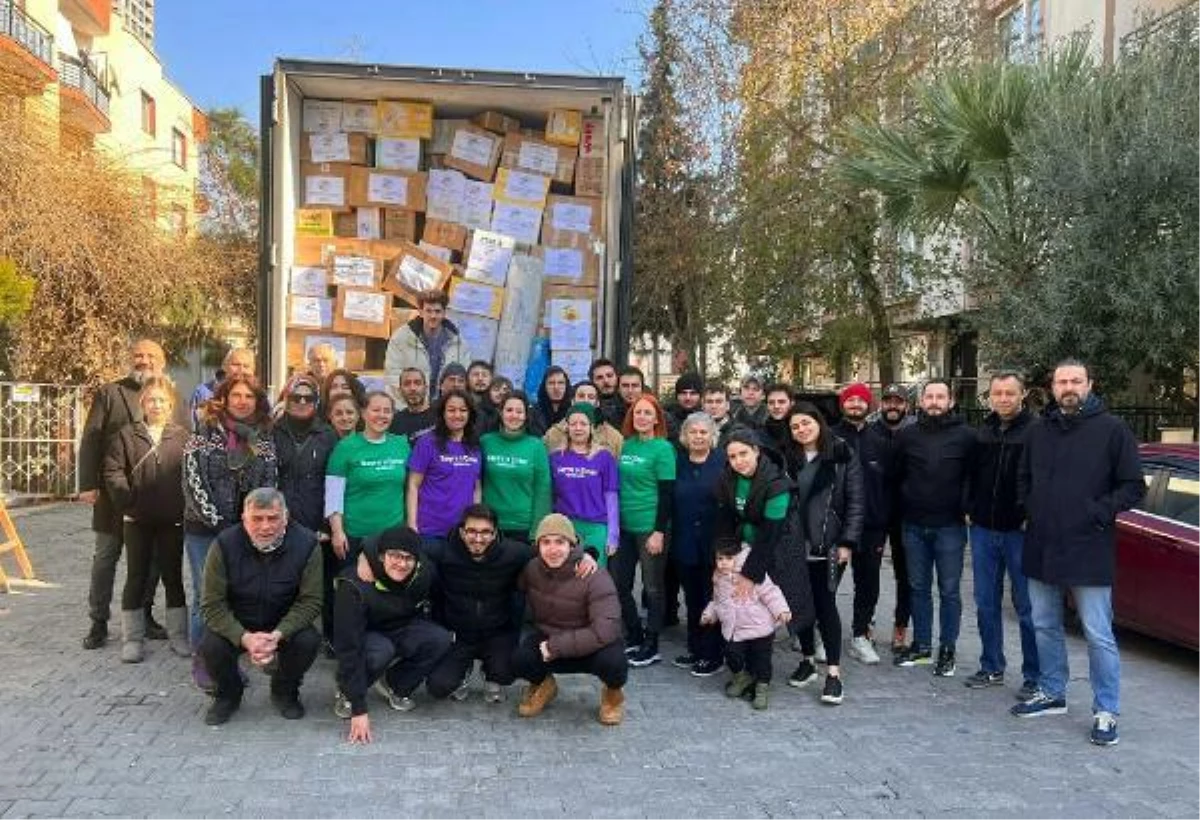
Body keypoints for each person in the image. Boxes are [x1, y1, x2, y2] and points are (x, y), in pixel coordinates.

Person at [1011, 360, 1144, 747]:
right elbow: (1025, 478)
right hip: (1042, 542)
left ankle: (1106, 710)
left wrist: (1095, 513)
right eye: (1061, 381)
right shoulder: (1040, 430)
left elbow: (1133, 485)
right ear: (1052, 387)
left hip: (1089, 545)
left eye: (1075, 381)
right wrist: (1030, 508)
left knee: (1098, 634)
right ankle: (1052, 692)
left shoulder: (1113, 430)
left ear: (1090, 384)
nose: (1068, 387)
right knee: (1044, 624)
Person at [423, 505, 597, 705]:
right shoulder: (445, 551)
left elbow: (551, 552)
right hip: (459, 634)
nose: (478, 538)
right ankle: (464, 669)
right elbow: (407, 545)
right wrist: (377, 562)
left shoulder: (512, 552)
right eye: (472, 531)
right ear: (462, 531)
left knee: (506, 673)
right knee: (438, 686)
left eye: (485, 532)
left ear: (495, 532)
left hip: (497, 632)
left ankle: (490, 672)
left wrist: (585, 554)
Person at [183, 375, 278, 691]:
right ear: (224, 398)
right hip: (204, 530)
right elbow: (193, 484)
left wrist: (250, 529)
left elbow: (268, 484)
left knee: (236, 598)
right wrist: (222, 526)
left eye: (249, 396)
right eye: (236, 395)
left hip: (245, 532)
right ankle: (203, 661)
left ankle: (226, 661)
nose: (242, 401)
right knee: (206, 597)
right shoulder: (203, 434)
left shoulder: (263, 438)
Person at [198, 489, 323, 726]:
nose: (265, 527)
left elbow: (311, 601)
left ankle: (284, 690)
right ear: (244, 518)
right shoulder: (224, 544)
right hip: (239, 621)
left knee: (308, 640)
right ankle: (227, 694)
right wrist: (244, 637)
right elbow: (211, 604)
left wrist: (278, 635)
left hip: (283, 622)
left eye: (273, 518)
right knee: (211, 645)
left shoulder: (307, 544)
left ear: (285, 517)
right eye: (257, 519)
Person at [79, 338, 168, 650]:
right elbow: (91, 438)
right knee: (106, 557)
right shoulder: (110, 393)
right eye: (138, 355)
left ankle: (143, 614)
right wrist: (87, 483)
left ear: (162, 361)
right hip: (112, 495)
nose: (143, 360)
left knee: (151, 560)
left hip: (154, 497)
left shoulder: (171, 396)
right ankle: (98, 621)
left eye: (150, 355)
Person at [333, 526, 451, 742]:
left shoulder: (423, 573)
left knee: (440, 638)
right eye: (394, 556)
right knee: (380, 651)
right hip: (364, 635)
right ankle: (347, 692)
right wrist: (359, 710)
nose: (401, 563)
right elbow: (349, 648)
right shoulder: (352, 586)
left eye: (408, 558)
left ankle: (395, 684)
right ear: (380, 556)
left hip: (401, 626)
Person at [101, 376, 190, 662]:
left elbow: (191, 475)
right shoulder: (127, 435)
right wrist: (128, 499)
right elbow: (112, 471)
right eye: (151, 399)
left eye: (162, 400)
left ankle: (178, 636)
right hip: (136, 519)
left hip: (172, 519)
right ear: (142, 403)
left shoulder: (182, 436)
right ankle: (133, 638)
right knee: (136, 576)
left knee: (173, 577)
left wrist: (184, 504)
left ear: (170, 404)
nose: (157, 405)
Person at [893, 379, 976, 676]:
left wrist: (966, 507)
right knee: (917, 588)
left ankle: (948, 649)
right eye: (929, 396)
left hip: (950, 526)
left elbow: (973, 476)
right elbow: (896, 474)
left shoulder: (967, 436)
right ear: (921, 401)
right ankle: (923, 645)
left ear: (951, 401)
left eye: (940, 397)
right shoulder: (906, 435)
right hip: (913, 525)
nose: (934, 402)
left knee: (950, 590)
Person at [782, 402, 863, 706]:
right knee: (800, 602)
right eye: (795, 426)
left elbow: (856, 501)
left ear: (818, 422)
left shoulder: (842, 453)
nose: (801, 430)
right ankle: (807, 660)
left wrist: (847, 542)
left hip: (828, 544)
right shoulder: (788, 457)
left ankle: (833, 674)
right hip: (793, 543)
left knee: (825, 604)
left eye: (806, 423)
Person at [965, 370, 1039, 699]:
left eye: (1010, 393)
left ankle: (1034, 675)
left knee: (1027, 606)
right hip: (983, 529)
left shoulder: (1037, 432)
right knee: (985, 602)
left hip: (1020, 532)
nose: (1004, 399)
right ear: (990, 397)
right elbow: (969, 476)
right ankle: (992, 665)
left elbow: (1043, 479)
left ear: (1023, 395)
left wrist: (1031, 514)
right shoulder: (983, 432)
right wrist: (969, 507)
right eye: (998, 393)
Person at [513, 514, 627, 726]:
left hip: (588, 645)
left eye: (560, 542)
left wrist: (556, 646)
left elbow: (605, 629)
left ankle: (613, 696)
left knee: (614, 662)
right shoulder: (532, 569)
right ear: (538, 545)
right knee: (519, 658)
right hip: (550, 638)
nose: (553, 549)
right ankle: (544, 685)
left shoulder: (595, 575)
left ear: (572, 545)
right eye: (546, 542)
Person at [324, 391, 411, 651]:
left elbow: (411, 489)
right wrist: (337, 531)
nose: (381, 416)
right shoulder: (346, 447)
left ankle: (379, 645)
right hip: (354, 535)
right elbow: (333, 493)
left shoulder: (401, 445)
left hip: (390, 537)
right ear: (363, 413)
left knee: (385, 595)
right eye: (376, 410)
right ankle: (344, 645)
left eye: (387, 411)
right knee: (349, 594)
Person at [713, 428, 814, 643]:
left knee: (794, 598)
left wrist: (751, 574)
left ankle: (809, 655)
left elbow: (770, 534)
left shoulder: (776, 482)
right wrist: (726, 555)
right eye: (732, 456)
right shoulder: (727, 478)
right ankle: (754, 655)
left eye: (743, 454)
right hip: (746, 543)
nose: (738, 461)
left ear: (756, 451)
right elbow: (724, 519)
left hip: (782, 544)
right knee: (749, 602)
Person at [831, 382, 897, 666]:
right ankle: (824, 633)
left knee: (868, 584)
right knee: (828, 584)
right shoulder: (830, 437)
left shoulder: (882, 440)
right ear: (842, 404)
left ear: (869, 404)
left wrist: (884, 518)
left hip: (871, 527)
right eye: (850, 400)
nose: (855, 404)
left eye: (861, 400)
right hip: (836, 526)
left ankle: (861, 636)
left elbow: (890, 484)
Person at [613, 394, 676, 667]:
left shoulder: (663, 449)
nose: (641, 417)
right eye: (637, 412)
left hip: (650, 527)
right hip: (624, 527)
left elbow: (667, 494)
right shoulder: (625, 446)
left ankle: (652, 643)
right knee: (619, 584)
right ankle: (635, 634)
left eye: (647, 413)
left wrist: (658, 531)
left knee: (652, 588)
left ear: (656, 419)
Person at [701, 542, 791, 710]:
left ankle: (762, 688)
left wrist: (782, 610)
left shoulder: (752, 572)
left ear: (738, 558)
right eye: (720, 559)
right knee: (731, 653)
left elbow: (771, 593)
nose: (723, 563)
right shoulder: (718, 578)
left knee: (762, 660)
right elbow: (717, 601)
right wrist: (709, 614)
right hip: (734, 629)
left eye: (728, 559)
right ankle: (741, 678)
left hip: (760, 628)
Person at [670, 412, 726, 677]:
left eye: (704, 432)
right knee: (692, 598)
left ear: (712, 435)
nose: (698, 436)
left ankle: (713, 654)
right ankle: (695, 648)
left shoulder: (722, 463)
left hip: (713, 544)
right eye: (693, 432)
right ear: (685, 436)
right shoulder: (678, 463)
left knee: (711, 597)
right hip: (685, 543)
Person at [407, 389, 483, 547]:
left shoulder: (474, 446)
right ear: (442, 413)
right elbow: (413, 485)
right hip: (429, 531)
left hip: (462, 532)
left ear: (470, 414)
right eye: (451, 410)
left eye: (463, 410)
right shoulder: (427, 442)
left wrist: (474, 525)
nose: (457, 415)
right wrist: (412, 525)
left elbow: (476, 488)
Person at [549, 403, 621, 566]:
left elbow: (611, 496)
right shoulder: (555, 457)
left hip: (596, 527)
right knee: (566, 577)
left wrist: (613, 535)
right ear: (567, 427)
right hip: (565, 527)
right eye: (573, 423)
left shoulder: (604, 457)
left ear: (592, 427)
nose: (578, 428)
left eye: (583, 423)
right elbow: (549, 495)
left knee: (592, 577)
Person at [480, 392, 551, 543]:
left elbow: (543, 490)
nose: (514, 415)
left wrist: (537, 532)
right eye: (509, 410)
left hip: (523, 528)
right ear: (500, 412)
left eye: (519, 411)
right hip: (489, 526)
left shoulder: (536, 446)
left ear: (526, 415)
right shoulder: (485, 442)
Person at [273, 375, 338, 537]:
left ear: (316, 402)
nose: (302, 402)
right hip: (277, 522)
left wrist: (326, 525)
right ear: (286, 399)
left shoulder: (328, 435)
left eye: (308, 398)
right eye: (296, 397)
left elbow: (334, 484)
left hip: (315, 525)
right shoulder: (271, 432)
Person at [383, 288, 473, 401]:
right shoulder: (401, 339)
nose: (433, 316)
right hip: (410, 406)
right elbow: (393, 375)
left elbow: (464, 378)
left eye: (437, 311)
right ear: (420, 312)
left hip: (445, 409)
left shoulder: (459, 343)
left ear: (444, 313)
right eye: (428, 311)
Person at [878, 384, 914, 652]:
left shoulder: (914, 433)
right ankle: (864, 624)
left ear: (906, 405)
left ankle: (901, 625)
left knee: (906, 575)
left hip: (905, 514)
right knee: (866, 574)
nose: (892, 406)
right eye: (888, 401)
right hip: (875, 512)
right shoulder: (870, 432)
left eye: (897, 402)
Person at [542, 381, 624, 457]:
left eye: (591, 397)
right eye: (581, 396)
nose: (586, 400)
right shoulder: (554, 434)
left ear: (597, 403)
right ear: (573, 401)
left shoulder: (613, 437)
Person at [190, 347, 255, 431]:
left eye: (246, 366)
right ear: (224, 367)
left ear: (252, 371)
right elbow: (192, 428)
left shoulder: (259, 397)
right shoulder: (203, 393)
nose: (241, 370)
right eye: (236, 365)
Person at [389, 366, 436, 443]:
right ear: (400, 390)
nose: (412, 388)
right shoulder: (395, 422)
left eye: (417, 383)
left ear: (426, 388)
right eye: (407, 384)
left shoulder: (440, 415)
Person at [530, 366, 571, 437]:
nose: (556, 387)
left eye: (561, 383)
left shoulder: (573, 411)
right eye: (551, 383)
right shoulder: (533, 413)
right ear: (544, 386)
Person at [665, 372, 703, 444]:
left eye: (693, 393)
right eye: (683, 393)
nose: (687, 398)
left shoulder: (707, 418)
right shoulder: (665, 418)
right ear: (677, 396)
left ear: (700, 396)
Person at [588, 358, 621, 428]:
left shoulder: (628, 405)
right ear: (592, 382)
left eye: (609, 376)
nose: (606, 381)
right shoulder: (588, 406)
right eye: (600, 378)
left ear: (617, 377)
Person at [762, 383, 794, 452]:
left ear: (791, 404)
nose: (776, 406)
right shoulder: (760, 434)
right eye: (771, 402)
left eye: (781, 402)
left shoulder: (800, 430)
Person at [702, 384, 734, 449]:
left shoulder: (739, 431)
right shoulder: (695, 430)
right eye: (709, 402)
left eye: (719, 402)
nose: (714, 406)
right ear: (703, 406)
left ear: (727, 405)